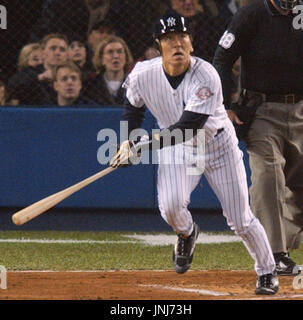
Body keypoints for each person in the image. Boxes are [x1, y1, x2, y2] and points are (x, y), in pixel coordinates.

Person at [109, 12, 279, 295]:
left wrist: (142, 146)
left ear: (191, 44)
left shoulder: (206, 75)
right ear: (158, 45)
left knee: (240, 219)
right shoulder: (142, 73)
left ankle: (267, 271)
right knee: (170, 207)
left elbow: (189, 127)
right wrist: (127, 141)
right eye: (169, 39)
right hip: (176, 150)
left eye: (182, 37)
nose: (177, 44)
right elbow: (132, 109)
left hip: (217, 146)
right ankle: (187, 234)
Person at [213, 0, 303, 276]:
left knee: (299, 188)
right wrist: (225, 105)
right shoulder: (251, 14)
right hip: (262, 110)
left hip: (301, 108)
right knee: (267, 176)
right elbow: (222, 58)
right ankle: (275, 254)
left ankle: (283, 242)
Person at [7, 33, 69, 105]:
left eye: (62, 50)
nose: (58, 53)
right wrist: (39, 78)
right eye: (53, 48)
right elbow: (12, 86)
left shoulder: (72, 73)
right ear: (43, 52)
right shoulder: (30, 71)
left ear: (66, 55)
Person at [84, 35, 133, 106]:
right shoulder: (90, 86)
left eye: (119, 52)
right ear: (101, 59)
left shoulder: (135, 84)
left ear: (126, 57)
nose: (116, 56)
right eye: (110, 52)